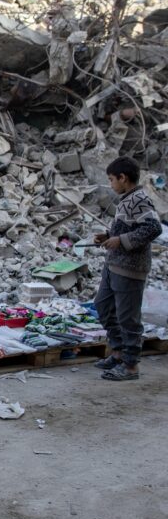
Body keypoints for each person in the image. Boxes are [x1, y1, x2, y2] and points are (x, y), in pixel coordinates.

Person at [93, 156, 163, 381]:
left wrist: (120, 240)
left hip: (130, 269)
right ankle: (118, 352)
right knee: (103, 307)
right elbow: (128, 229)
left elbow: (153, 228)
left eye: (112, 179)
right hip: (114, 265)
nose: (111, 184)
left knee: (127, 318)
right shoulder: (126, 199)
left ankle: (131, 366)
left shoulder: (140, 199)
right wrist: (109, 237)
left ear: (123, 178)